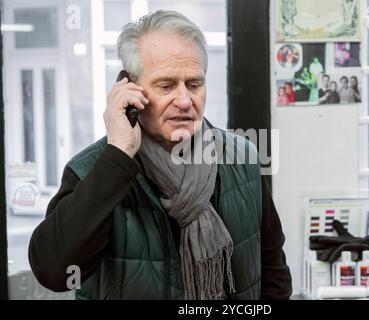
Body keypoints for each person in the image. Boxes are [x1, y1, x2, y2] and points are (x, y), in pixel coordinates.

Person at [28, 10, 292, 300]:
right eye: (166, 86)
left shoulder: (242, 158)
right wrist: (118, 156)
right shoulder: (91, 169)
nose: (184, 101)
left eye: (194, 84)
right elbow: (55, 271)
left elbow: (273, 271)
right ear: (130, 91)